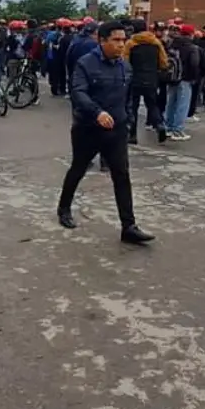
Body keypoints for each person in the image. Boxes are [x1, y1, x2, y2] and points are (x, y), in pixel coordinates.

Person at [56, 21, 154, 244]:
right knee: (78, 168)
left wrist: (127, 119)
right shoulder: (85, 64)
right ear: (102, 40)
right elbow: (78, 92)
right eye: (116, 40)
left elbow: (128, 97)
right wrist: (96, 112)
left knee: (121, 174)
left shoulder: (125, 67)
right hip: (88, 129)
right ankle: (64, 208)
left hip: (117, 130)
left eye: (123, 40)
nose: (121, 45)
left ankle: (128, 226)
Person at [125, 18, 168, 145]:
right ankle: (159, 124)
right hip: (151, 78)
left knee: (133, 107)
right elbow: (164, 62)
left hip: (135, 79)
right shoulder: (156, 42)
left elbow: (124, 62)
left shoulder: (131, 43)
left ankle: (132, 135)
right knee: (152, 104)